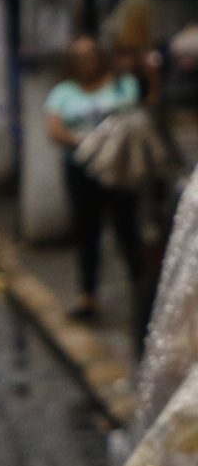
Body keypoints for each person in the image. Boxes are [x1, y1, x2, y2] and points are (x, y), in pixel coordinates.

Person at [44, 35, 144, 322]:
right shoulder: (63, 93)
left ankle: (141, 290)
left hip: (119, 169)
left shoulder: (123, 85)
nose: (86, 61)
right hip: (82, 169)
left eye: (90, 55)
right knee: (88, 231)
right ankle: (88, 294)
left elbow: (139, 115)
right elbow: (54, 128)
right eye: (79, 57)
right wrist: (84, 141)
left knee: (128, 228)